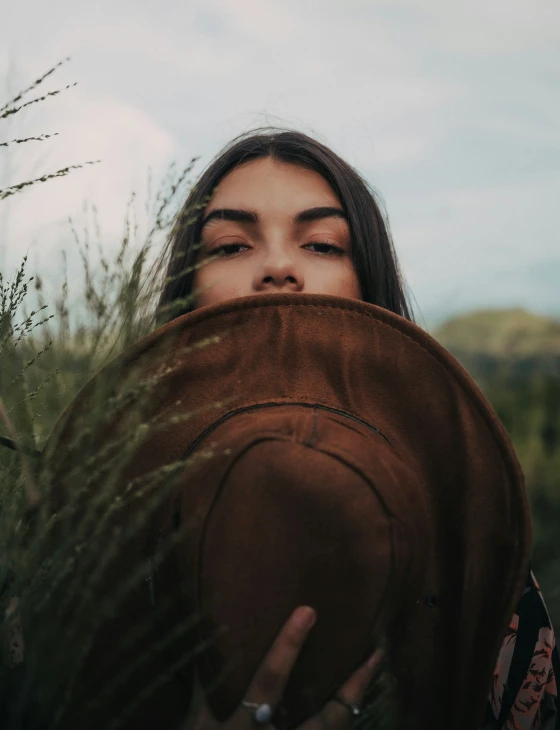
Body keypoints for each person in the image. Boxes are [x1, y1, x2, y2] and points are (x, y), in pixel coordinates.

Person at [155, 128, 560, 729]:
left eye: (320, 244)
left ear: (368, 288)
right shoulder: (77, 542)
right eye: (230, 246)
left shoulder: (473, 560)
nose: (278, 267)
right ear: (186, 296)